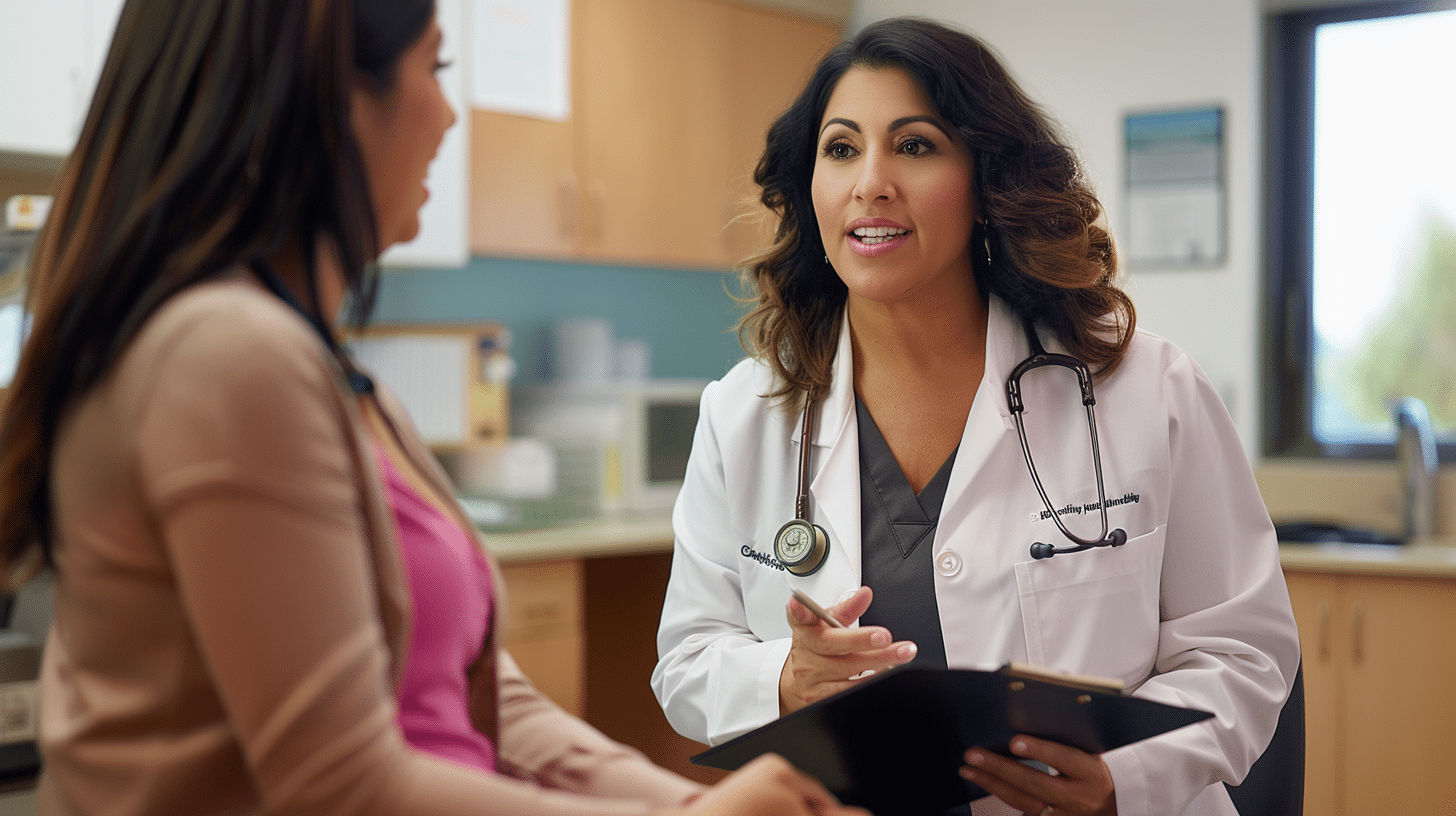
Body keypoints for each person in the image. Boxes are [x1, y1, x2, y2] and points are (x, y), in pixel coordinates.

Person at [0, 2, 869, 815]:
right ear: (333, 101)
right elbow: (338, 782)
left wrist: (687, 803)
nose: (450, 117)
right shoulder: (227, 356)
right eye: (435, 69)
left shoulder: (343, 387)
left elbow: (490, 703)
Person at [651, 16, 1300, 816]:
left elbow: (1243, 651)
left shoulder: (1146, 389)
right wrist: (784, 678)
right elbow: (688, 658)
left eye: (914, 145)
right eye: (841, 148)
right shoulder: (743, 414)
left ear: (986, 181)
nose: (870, 183)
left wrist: (1124, 779)